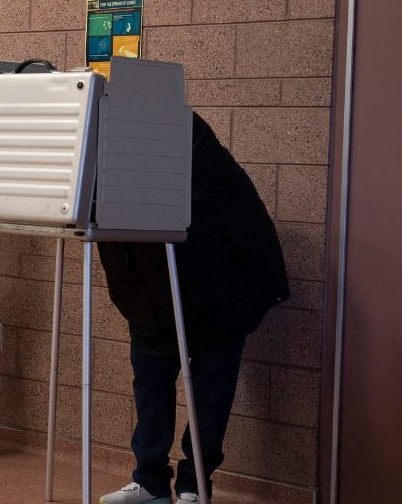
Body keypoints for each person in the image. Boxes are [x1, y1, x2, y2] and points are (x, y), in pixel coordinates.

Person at [97, 113, 289, 504]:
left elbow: (177, 223)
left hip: (225, 285)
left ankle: (194, 485)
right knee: (150, 379)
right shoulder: (103, 155)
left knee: (209, 391)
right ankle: (150, 482)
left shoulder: (186, 144)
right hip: (157, 287)